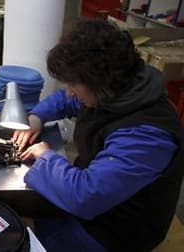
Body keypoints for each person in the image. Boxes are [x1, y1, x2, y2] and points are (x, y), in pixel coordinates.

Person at [12, 19, 184, 251]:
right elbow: (65, 100)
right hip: (99, 206)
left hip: (118, 231)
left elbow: (85, 195)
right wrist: (36, 118)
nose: (70, 91)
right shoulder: (114, 91)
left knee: (20, 235)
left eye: (73, 84)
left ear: (100, 81)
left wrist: (45, 156)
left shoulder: (146, 135)